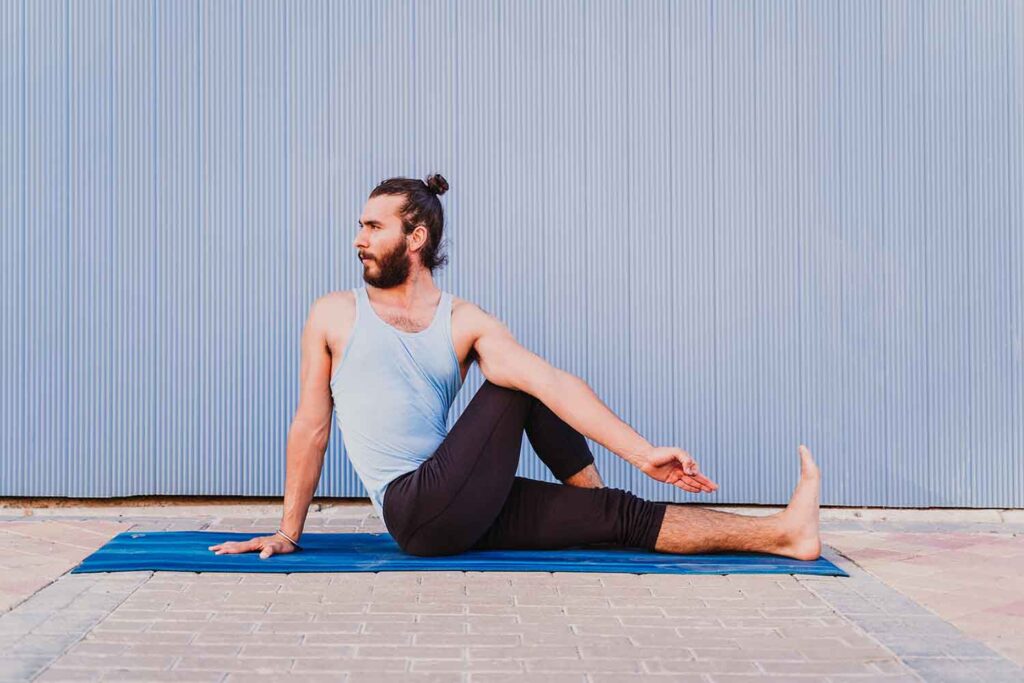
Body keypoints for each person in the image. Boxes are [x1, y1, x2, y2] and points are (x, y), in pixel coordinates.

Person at [209, 173, 821, 561]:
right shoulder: (333, 315)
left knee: (613, 505)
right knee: (517, 385)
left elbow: (556, 384)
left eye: (373, 226)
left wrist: (642, 452)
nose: (357, 239)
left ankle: (784, 535)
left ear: (415, 237)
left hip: (463, 498)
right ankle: (599, 506)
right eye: (358, 227)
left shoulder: (464, 320)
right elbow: (311, 428)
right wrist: (288, 532)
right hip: (414, 510)